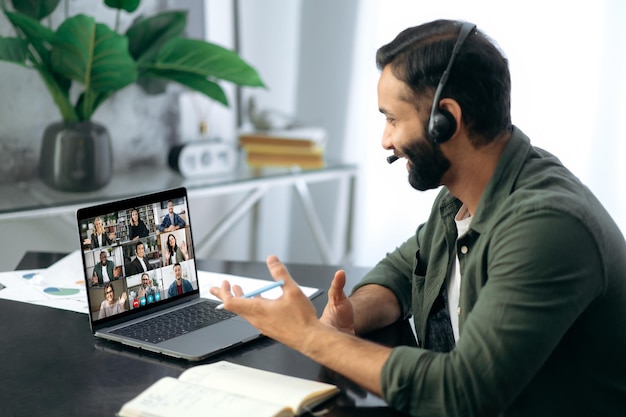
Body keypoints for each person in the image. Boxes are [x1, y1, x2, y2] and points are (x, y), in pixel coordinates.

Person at [210, 19, 626, 416]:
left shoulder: (546, 226)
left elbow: (463, 391)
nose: (385, 140)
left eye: (392, 119)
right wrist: (351, 313)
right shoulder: (463, 196)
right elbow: (404, 269)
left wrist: (310, 336)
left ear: (447, 119)